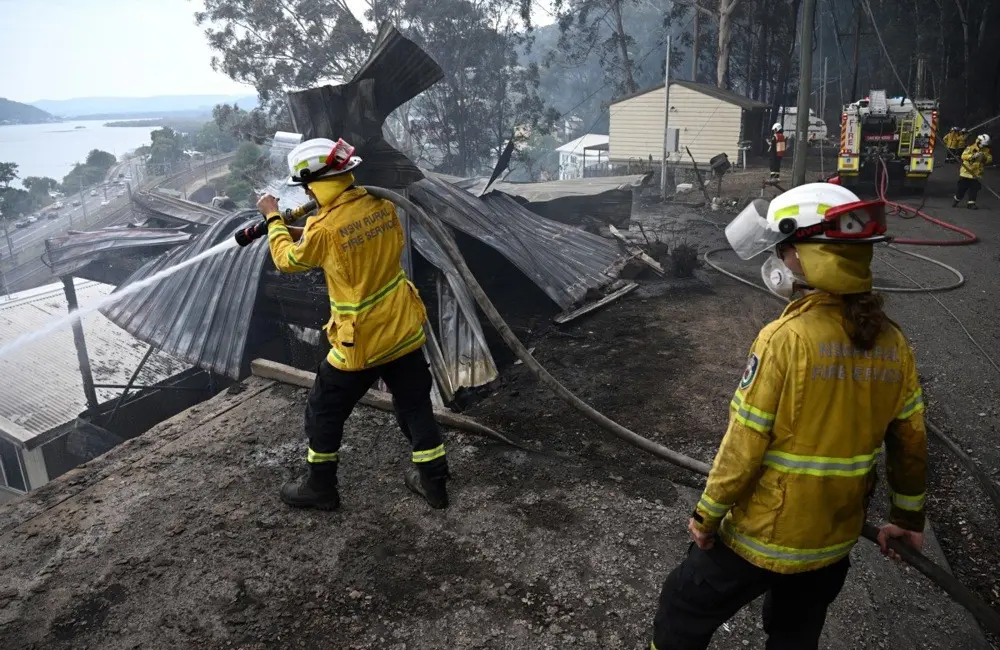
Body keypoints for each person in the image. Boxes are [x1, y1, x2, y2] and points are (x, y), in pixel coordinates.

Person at [649, 182, 928, 650]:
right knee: (795, 634)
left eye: (784, 247)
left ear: (808, 255)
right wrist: (908, 519)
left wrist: (707, 515)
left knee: (681, 609)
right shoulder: (894, 343)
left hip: (763, 536)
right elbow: (911, 443)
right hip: (832, 540)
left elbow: (745, 443)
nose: (779, 258)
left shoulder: (785, 339)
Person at [255, 137, 449, 511]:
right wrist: (305, 230)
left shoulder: (325, 228)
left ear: (314, 182)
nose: (308, 191)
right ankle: (434, 483)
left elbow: (288, 260)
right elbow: (341, 242)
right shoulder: (380, 204)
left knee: (323, 409)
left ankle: (320, 487)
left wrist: (272, 218)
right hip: (402, 326)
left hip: (361, 341)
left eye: (307, 185)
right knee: (414, 404)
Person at [953, 134, 992, 210]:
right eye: (981, 144)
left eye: (984, 145)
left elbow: (989, 158)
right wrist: (973, 156)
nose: (982, 146)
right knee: (961, 189)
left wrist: (984, 158)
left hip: (977, 175)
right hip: (966, 173)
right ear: (978, 141)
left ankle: (971, 204)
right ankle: (957, 199)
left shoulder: (986, 150)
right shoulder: (970, 148)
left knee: (974, 189)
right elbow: (963, 156)